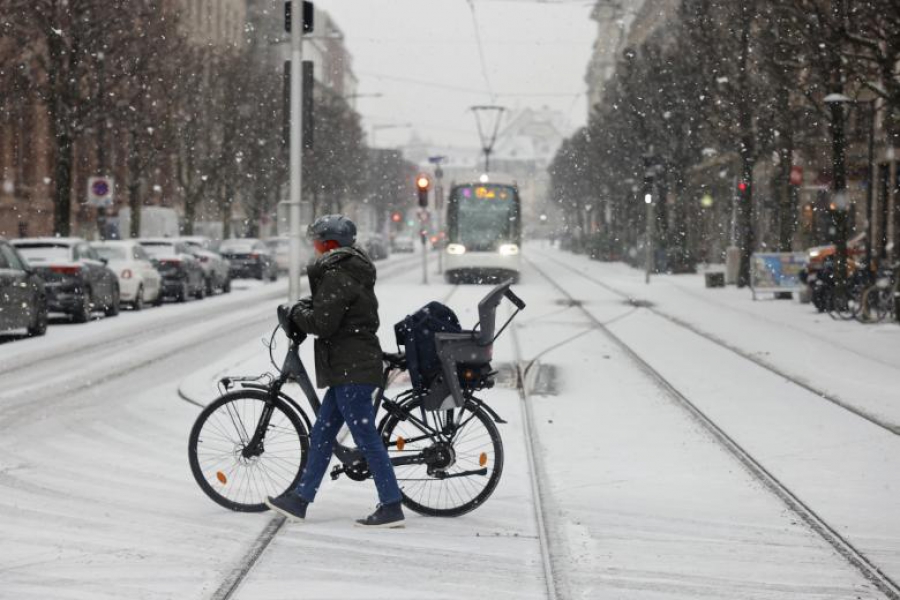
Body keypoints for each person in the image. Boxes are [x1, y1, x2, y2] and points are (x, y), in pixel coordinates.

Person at [265, 215, 404, 528]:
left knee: (366, 437)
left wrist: (299, 312)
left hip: (351, 367)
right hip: (349, 365)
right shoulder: (346, 270)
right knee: (323, 433)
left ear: (329, 244)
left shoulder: (338, 273)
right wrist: (308, 307)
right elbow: (330, 311)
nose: (313, 247)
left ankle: (392, 504)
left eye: (316, 241)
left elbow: (323, 323)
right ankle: (300, 499)